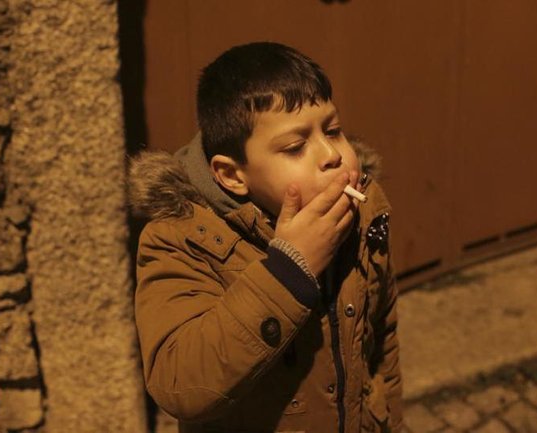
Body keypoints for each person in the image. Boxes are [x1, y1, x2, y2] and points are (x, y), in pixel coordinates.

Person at [129, 41, 402, 433]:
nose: (331, 154)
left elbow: (383, 335)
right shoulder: (180, 238)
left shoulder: (364, 207)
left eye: (334, 130)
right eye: (295, 147)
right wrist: (288, 271)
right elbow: (178, 385)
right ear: (233, 176)